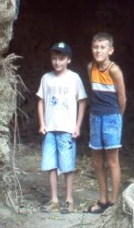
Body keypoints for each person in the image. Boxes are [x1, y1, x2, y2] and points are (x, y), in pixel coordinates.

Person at [36, 42, 87, 214]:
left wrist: (77, 126)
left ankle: (69, 200)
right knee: (51, 164)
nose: (57, 62)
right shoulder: (46, 78)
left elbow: (82, 102)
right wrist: (42, 123)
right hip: (50, 128)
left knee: (67, 166)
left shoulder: (74, 78)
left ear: (68, 60)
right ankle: (54, 200)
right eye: (54, 59)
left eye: (61, 59)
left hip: (67, 129)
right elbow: (41, 100)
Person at [85, 32, 126, 214]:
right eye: (95, 47)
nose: (98, 50)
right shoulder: (90, 67)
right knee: (97, 162)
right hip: (95, 116)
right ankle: (102, 200)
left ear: (111, 50)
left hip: (111, 117)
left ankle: (113, 202)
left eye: (102, 47)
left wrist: (118, 118)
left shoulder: (114, 70)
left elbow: (122, 98)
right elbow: (93, 91)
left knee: (112, 162)